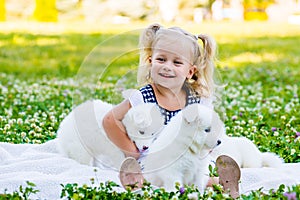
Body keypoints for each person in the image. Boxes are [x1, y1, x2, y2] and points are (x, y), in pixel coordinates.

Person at [102, 23, 240, 198]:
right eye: (161, 59)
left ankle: (221, 181)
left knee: (200, 169)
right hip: (154, 159)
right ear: (150, 62)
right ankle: (139, 180)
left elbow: (210, 128)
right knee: (152, 172)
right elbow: (109, 120)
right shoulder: (143, 96)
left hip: (190, 159)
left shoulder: (198, 99)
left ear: (190, 71)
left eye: (177, 62)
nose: (167, 66)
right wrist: (133, 152)